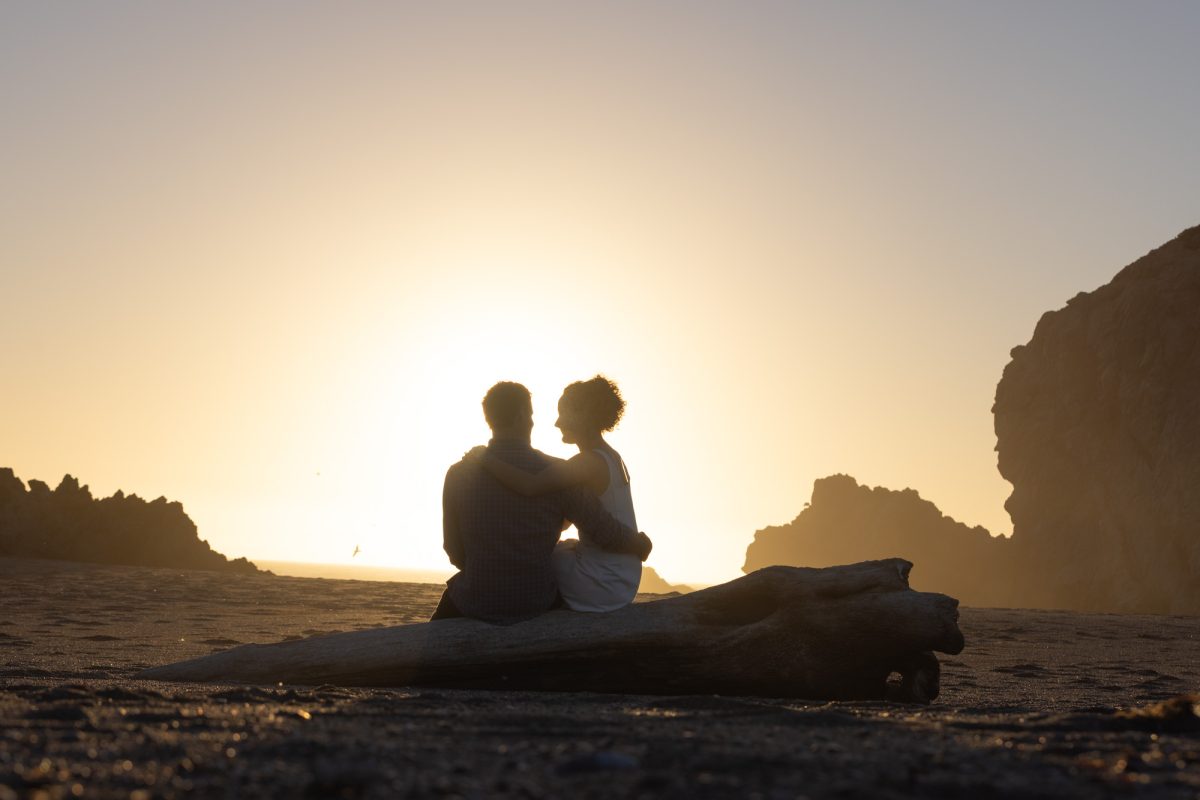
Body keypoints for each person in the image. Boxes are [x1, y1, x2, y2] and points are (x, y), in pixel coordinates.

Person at [432, 381, 651, 624]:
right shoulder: (562, 473)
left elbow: (454, 551)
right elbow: (601, 527)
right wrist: (637, 544)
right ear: (523, 416)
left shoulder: (458, 473)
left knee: (437, 627)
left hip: (476, 598)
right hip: (536, 602)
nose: (554, 422)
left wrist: (488, 569)